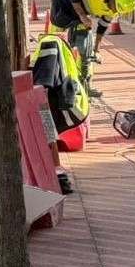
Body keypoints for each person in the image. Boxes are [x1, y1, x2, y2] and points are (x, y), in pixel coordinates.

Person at [48, 0, 135, 96]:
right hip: (64, 3)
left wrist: (97, 50)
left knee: (84, 48)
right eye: (114, 8)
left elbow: (102, 27)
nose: (113, 12)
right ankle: (51, 79)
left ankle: (84, 86)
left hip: (81, 13)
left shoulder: (115, 8)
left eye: (117, 11)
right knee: (55, 42)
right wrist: (83, 16)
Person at [31, 31, 91, 194]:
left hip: (67, 105)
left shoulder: (49, 44)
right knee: (48, 132)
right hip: (75, 104)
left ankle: (55, 174)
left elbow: (42, 84)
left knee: (47, 130)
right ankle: (56, 172)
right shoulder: (61, 48)